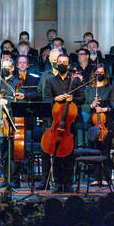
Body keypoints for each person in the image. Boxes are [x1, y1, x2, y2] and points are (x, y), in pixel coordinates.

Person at [40, 51, 85, 192]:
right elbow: (46, 99)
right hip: (56, 123)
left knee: (69, 154)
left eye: (65, 63)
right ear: (56, 64)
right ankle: (58, 183)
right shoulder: (50, 81)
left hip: (70, 124)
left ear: (69, 65)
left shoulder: (75, 81)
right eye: (60, 63)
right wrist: (56, 99)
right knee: (57, 155)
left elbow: (82, 99)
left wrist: (73, 100)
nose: (62, 65)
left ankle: (68, 183)